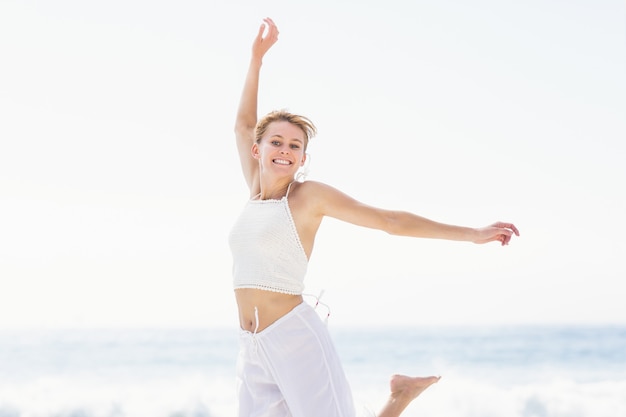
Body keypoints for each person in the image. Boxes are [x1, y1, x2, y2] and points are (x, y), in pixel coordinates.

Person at [229, 17, 519, 417]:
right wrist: (256, 59)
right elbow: (243, 124)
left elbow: (389, 221)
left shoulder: (307, 197)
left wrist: (471, 234)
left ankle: (398, 399)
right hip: (253, 345)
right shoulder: (254, 193)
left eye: (295, 145)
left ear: (302, 159)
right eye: (276, 141)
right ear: (258, 150)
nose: (285, 149)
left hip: (294, 338)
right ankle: (400, 395)